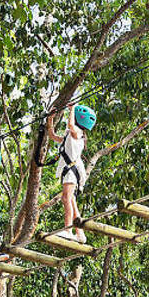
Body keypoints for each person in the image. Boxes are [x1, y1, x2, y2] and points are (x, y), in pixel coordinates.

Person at [46, 103, 96, 243]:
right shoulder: (70, 134)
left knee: (66, 199)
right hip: (70, 171)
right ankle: (80, 233)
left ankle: (68, 230)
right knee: (71, 201)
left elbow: (70, 125)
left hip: (71, 171)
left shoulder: (77, 133)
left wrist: (71, 108)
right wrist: (50, 119)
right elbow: (52, 136)